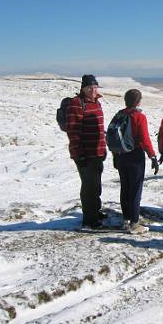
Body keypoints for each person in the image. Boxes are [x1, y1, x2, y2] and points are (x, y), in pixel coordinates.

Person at [114, 89, 159, 234]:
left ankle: (126, 219)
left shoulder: (119, 114)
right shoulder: (139, 116)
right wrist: (152, 156)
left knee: (125, 187)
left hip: (120, 155)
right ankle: (134, 222)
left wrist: (115, 155)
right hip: (135, 155)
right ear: (138, 101)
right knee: (135, 188)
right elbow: (144, 139)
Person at [66, 74, 108, 229]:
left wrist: (103, 147)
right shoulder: (76, 104)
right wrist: (80, 154)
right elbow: (73, 131)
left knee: (95, 185)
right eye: (90, 88)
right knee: (89, 187)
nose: (93, 90)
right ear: (83, 88)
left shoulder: (96, 102)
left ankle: (95, 211)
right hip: (85, 154)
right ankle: (89, 221)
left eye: (95, 87)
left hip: (97, 152)